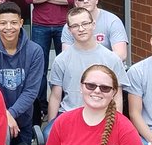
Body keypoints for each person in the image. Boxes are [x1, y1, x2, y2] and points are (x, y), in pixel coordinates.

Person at [47, 7, 129, 135]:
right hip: (69, 116)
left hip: (103, 117)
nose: (81, 29)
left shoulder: (112, 59)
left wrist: (116, 124)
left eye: (85, 24)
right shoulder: (61, 60)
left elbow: (117, 96)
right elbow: (56, 96)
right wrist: (51, 124)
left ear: (93, 24)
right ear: (69, 30)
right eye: (75, 26)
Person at [0, 2, 44, 145]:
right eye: (3, 23)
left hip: (24, 120)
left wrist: (11, 114)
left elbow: (31, 91)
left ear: (21, 23)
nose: (9, 27)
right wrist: (4, 116)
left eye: (14, 22)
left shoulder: (35, 51)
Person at [61, 0, 129, 62]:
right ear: (76, 3)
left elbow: (121, 55)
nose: (85, 1)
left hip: (109, 69)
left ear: (96, 0)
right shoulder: (70, 26)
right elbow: (66, 57)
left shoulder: (112, 21)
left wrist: (95, 67)